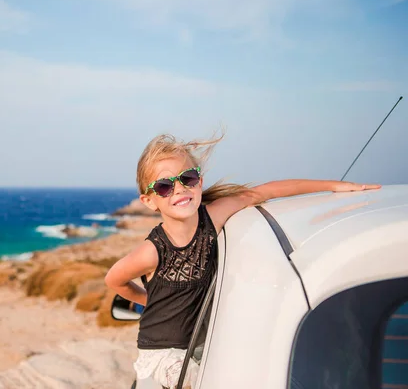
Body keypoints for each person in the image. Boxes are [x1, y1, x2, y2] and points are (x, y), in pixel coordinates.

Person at [104, 133, 381, 389]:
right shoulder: (152, 251)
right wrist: (146, 299)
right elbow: (114, 278)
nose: (178, 189)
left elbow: (262, 193)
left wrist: (335, 185)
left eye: (186, 178)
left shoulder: (212, 218)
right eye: (164, 186)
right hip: (162, 355)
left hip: (200, 345)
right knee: (197, 380)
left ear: (199, 182)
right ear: (149, 201)